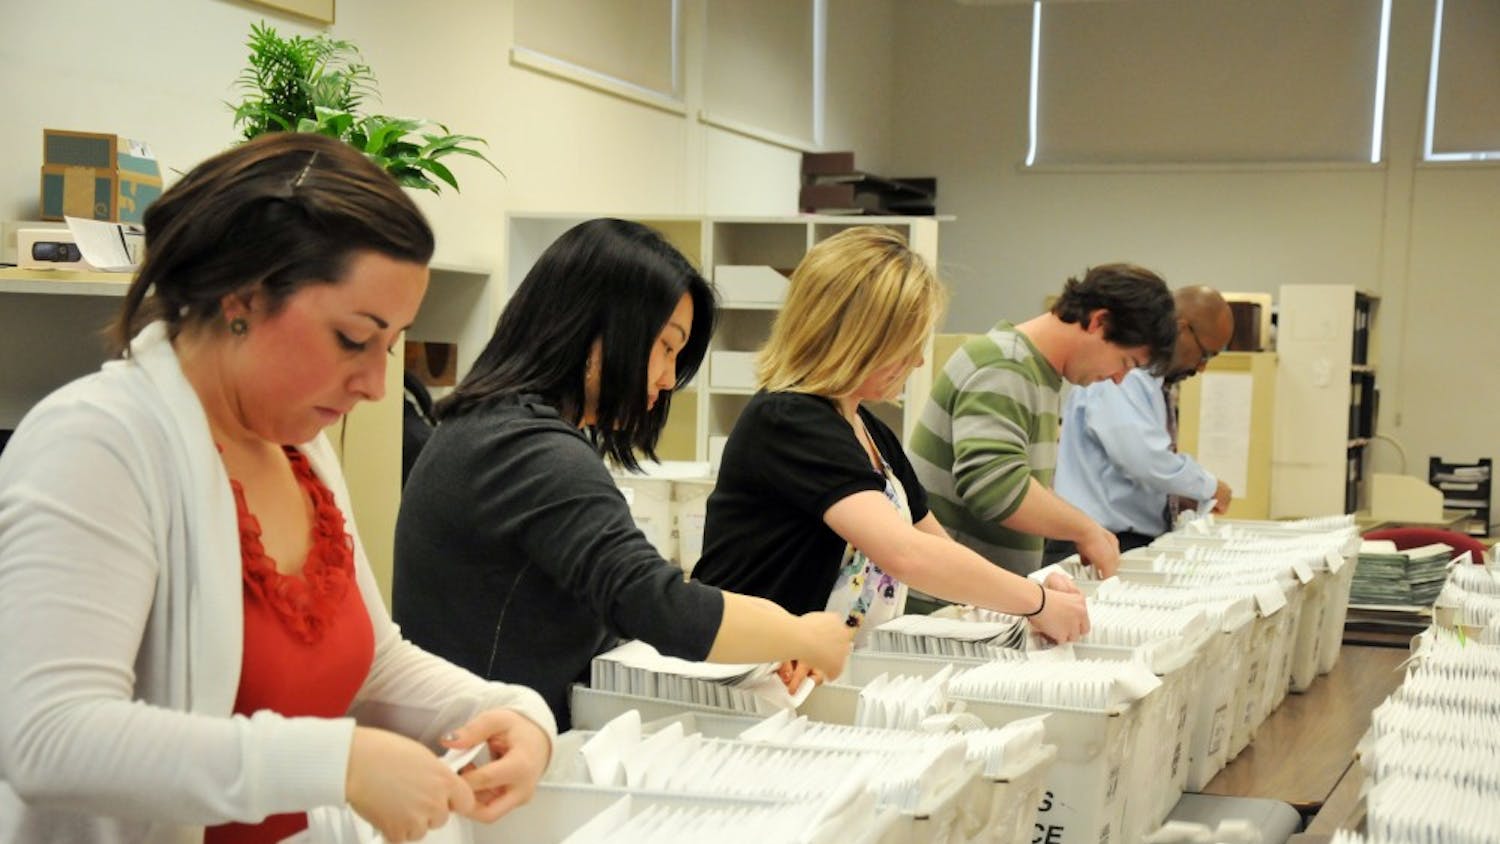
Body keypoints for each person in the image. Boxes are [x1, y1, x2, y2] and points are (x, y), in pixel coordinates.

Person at [0, 133, 555, 844]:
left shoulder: (300, 450)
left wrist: (507, 712)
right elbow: (51, 736)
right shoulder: (98, 444)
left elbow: (366, 662)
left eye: (391, 346)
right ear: (242, 301)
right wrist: (338, 760)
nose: (377, 383)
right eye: (354, 339)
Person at [392, 218, 854, 730]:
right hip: (491, 748)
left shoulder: (496, 428)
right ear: (594, 328)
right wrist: (801, 636)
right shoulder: (527, 449)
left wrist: (776, 634)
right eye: (665, 347)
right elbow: (655, 602)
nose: (667, 379)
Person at [691, 227, 1090, 653]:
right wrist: (1037, 601)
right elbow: (905, 554)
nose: (918, 361)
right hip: (744, 665)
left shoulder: (868, 429)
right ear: (857, 338)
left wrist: (1034, 595)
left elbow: (936, 547)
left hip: (810, 666)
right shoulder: (789, 420)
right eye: (906, 345)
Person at [908, 263, 1177, 579]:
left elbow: (1021, 482)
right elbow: (994, 487)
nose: (1119, 379)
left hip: (972, 596)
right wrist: (1085, 530)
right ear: (1098, 322)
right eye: (1125, 362)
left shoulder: (1036, 373)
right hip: (942, 600)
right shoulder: (1005, 366)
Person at [1050, 286, 1236, 557]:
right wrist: (1208, 486)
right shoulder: (1123, 373)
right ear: (1181, 329)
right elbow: (1143, 458)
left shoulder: (1151, 381)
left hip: (1120, 540)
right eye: (1205, 354)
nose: (1202, 367)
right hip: (1095, 540)